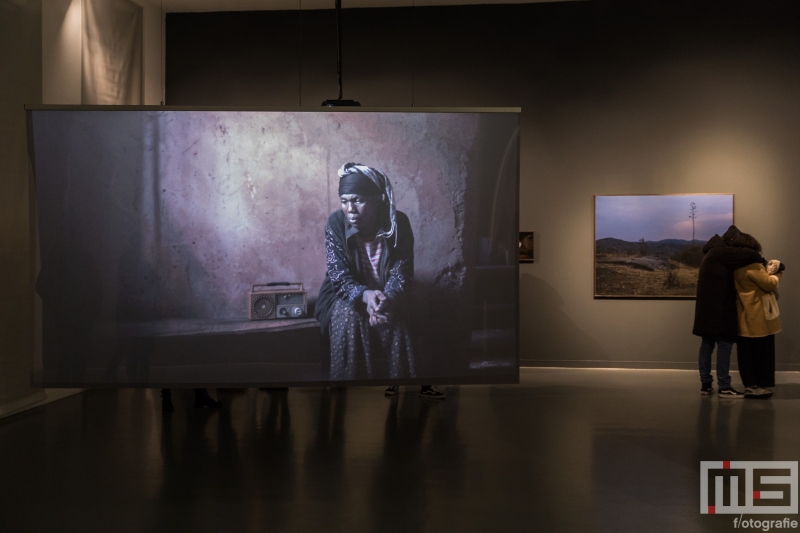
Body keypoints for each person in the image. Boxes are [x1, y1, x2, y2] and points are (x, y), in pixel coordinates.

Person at [315, 163, 444, 398]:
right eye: (344, 201)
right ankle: (349, 394)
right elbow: (339, 276)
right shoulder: (335, 223)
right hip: (343, 293)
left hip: (388, 292)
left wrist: (387, 300)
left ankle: (402, 393)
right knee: (349, 316)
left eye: (358, 200)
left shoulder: (398, 224)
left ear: (377, 200)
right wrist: (365, 296)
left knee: (398, 318)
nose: (350, 209)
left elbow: (401, 273)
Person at [693, 226, 762, 397]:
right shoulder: (721, 252)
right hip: (720, 308)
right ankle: (724, 386)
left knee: (707, 344)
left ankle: (706, 385)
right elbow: (752, 255)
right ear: (732, 242)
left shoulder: (713, 252)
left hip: (707, 308)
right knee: (725, 344)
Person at [728, 232, 784, 399]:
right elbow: (768, 284)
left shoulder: (736, 266)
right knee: (761, 352)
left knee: (747, 352)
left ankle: (751, 384)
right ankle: (755, 386)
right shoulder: (751, 266)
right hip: (759, 314)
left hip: (745, 314)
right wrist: (778, 272)